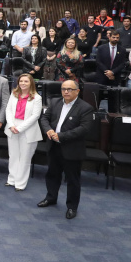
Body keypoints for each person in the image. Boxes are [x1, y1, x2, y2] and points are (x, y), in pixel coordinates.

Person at [37, 80, 96, 220]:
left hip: (71, 149)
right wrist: (49, 131)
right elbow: (44, 118)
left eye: (70, 89)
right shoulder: (55, 102)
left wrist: (61, 136)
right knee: (52, 175)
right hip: (53, 146)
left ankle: (72, 207)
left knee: (72, 180)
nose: (66, 92)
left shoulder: (85, 108)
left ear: (77, 91)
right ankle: (51, 198)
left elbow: (83, 129)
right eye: (64, 89)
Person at [4, 73, 43, 191]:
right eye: (21, 81)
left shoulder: (37, 97)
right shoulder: (14, 94)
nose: (23, 83)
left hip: (28, 129)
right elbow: (8, 110)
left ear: (31, 83)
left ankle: (20, 184)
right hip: (12, 127)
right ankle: (11, 179)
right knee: (13, 155)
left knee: (25, 157)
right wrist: (11, 125)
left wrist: (20, 128)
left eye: (26, 81)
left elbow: (35, 116)